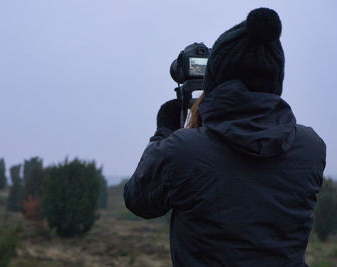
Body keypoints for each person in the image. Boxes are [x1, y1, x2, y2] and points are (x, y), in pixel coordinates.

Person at [123, 7, 326, 267]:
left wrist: (163, 134)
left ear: (216, 79)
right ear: (275, 79)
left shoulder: (183, 150)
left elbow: (138, 200)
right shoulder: (311, 148)